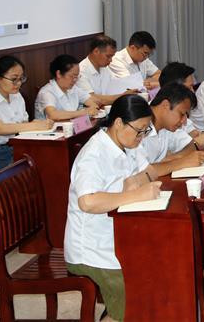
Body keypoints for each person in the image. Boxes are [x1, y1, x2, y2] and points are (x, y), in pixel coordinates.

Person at [64, 95, 162, 322]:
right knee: (133, 294)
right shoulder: (94, 153)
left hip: (120, 236)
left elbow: (150, 171)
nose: (142, 137)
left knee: (156, 271)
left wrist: (134, 181)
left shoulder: (128, 143)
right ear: (118, 123)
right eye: (139, 131)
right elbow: (87, 202)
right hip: (93, 249)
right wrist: (133, 194)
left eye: (146, 131)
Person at [0, 56, 53, 178]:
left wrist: (37, 124)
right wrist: (33, 126)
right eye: (14, 79)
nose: (19, 83)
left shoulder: (17, 96)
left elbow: (22, 125)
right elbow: (0, 129)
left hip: (15, 148)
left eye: (21, 78)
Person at [129, 84, 204, 176]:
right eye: (182, 114)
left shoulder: (167, 125)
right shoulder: (137, 124)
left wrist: (175, 157)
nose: (184, 121)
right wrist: (181, 162)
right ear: (165, 105)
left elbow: (191, 145)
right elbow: (142, 173)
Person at [158, 62, 204, 148]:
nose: (192, 92)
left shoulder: (178, 109)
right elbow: (179, 149)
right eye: (189, 87)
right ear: (175, 88)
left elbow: (194, 134)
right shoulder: (160, 115)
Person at [35, 54, 100, 121]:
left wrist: (92, 107)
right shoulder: (46, 92)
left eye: (77, 76)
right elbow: (53, 115)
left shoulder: (73, 88)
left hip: (72, 125)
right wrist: (82, 112)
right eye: (72, 76)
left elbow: (91, 100)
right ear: (59, 74)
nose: (75, 80)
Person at [77, 34, 137, 105]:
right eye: (108, 56)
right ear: (96, 51)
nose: (111, 60)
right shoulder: (80, 71)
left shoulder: (104, 67)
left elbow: (116, 85)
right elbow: (92, 98)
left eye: (112, 56)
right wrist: (122, 96)